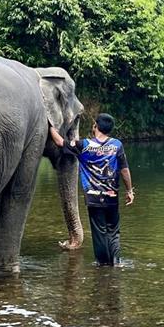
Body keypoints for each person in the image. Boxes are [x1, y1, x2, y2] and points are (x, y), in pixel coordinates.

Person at [49, 113, 134, 266]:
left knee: (99, 233)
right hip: (111, 197)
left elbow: (60, 142)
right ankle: (116, 262)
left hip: (94, 198)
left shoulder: (84, 145)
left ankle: (102, 265)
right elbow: (124, 170)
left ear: (96, 126)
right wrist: (129, 191)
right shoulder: (117, 145)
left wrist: (50, 126)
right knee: (113, 232)